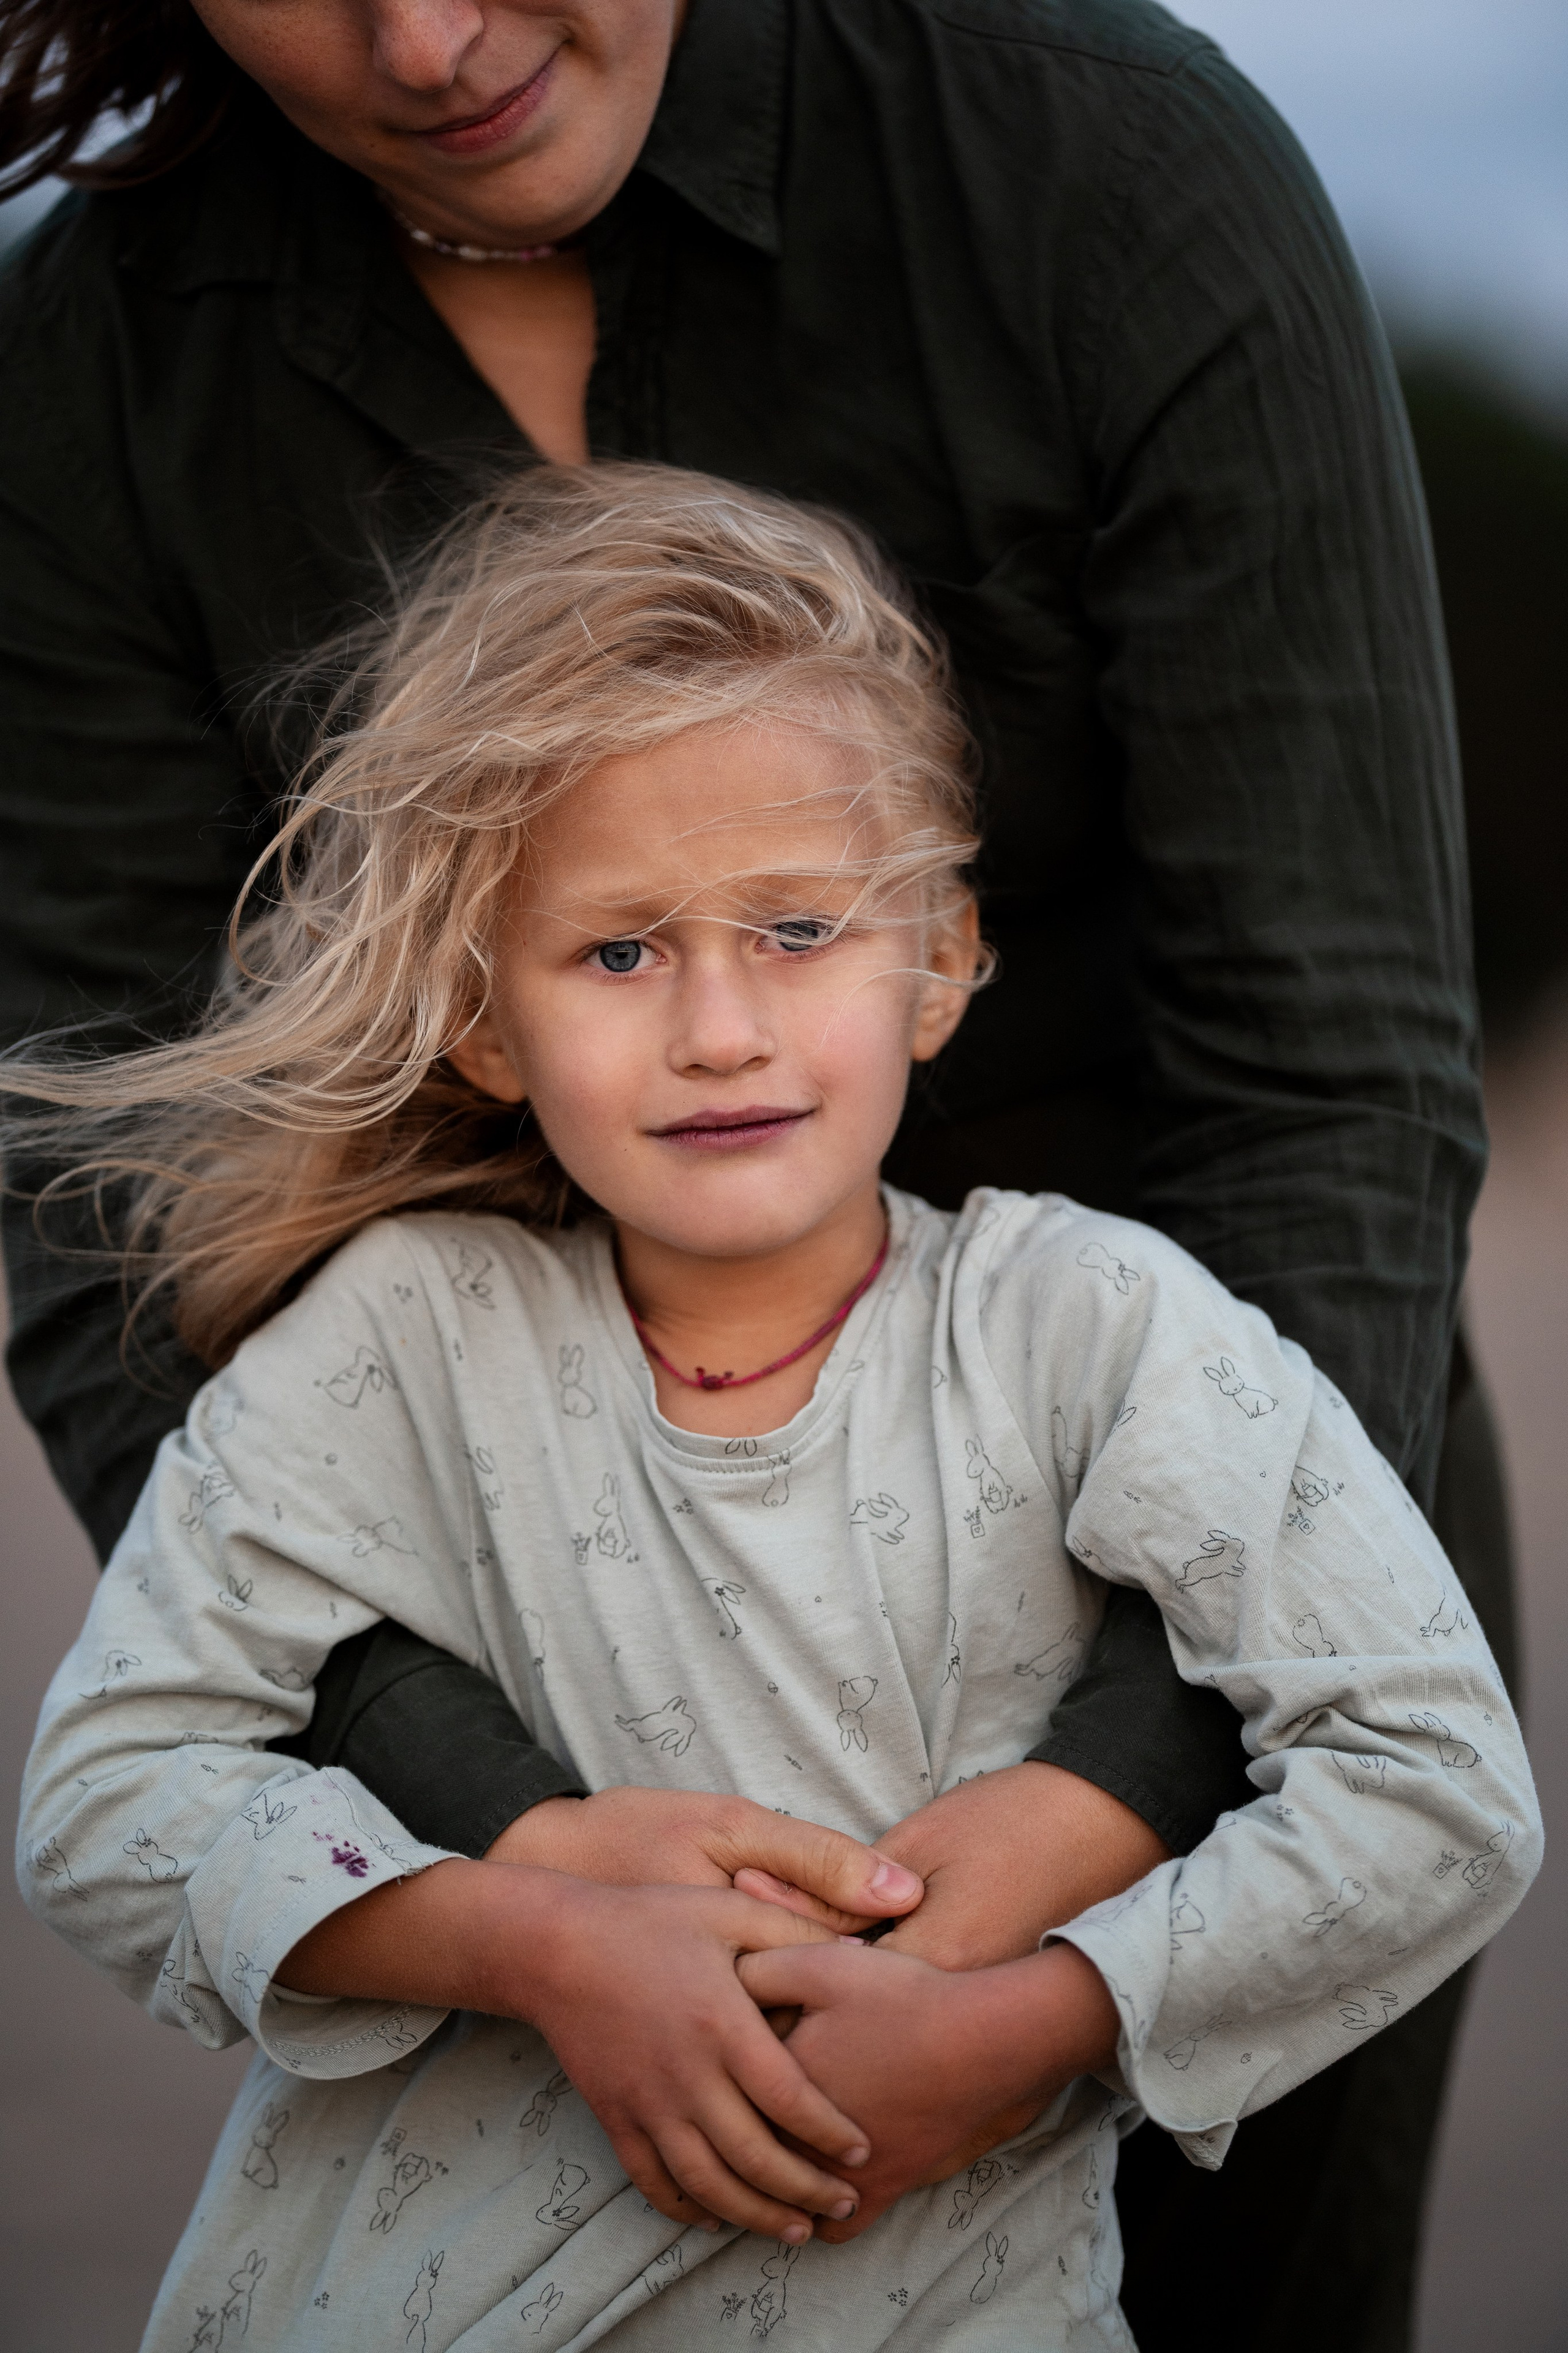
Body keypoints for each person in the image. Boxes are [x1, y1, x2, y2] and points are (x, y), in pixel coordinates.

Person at [0, 6, 1513, 2343]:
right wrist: (504, 1847)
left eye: (802, 926)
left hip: (1245, 1575)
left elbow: (1336, 1085)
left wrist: (1100, 1829)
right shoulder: (92, 379)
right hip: (482, 1665)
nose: (427, 33)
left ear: (946, 947)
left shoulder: (1111, 173)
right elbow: (110, 1216)